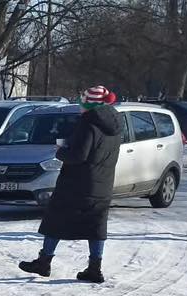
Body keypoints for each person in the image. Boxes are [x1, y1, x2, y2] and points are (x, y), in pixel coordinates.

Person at [18, 86, 122, 282]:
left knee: (55, 219)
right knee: (96, 225)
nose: (79, 107)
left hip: (77, 184)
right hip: (103, 184)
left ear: (89, 105)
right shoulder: (115, 124)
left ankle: (44, 262)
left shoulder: (88, 124)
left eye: (82, 103)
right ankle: (94, 268)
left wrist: (60, 150)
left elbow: (79, 155)